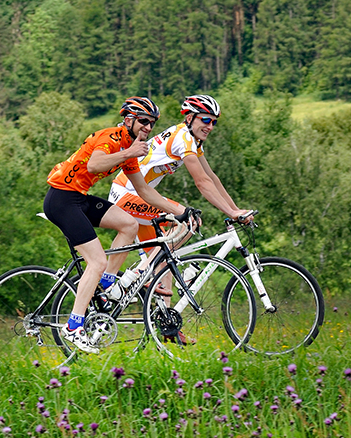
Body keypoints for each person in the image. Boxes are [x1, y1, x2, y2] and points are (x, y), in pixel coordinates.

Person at [43, 96, 195, 353]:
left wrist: (179, 211)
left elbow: (144, 191)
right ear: (129, 119)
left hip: (79, 198)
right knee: (97, 260)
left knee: (128, 224)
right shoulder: (113, 138)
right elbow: (94, 164)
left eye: (152, 123)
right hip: (61, 199)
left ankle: (107, 283)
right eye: (143, 121)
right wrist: (129, 153)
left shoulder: (130, 148)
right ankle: (73, 326)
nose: (148, 128)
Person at [108, 94, 253, 307]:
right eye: (205, 119)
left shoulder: (192, 140)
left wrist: (235, 209)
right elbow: (202, 182)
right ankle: (136, 274)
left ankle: (166, 324)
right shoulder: (183, 139)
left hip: (138, 196)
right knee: (189, 221)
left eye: (213, 121)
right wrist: (231, 214)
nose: (210, 126)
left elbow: (212, 177)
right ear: (190, 118)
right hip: (127, 194)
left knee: (163, 261)